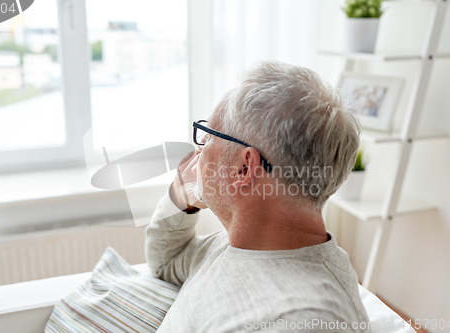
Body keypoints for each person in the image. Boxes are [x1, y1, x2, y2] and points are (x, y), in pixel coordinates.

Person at [145, 60, 370, 332]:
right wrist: (183, 196)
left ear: (243, 168)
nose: (198, 150)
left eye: (208, 135)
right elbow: (165, 260)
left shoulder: (299, 320)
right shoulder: (240, 243)